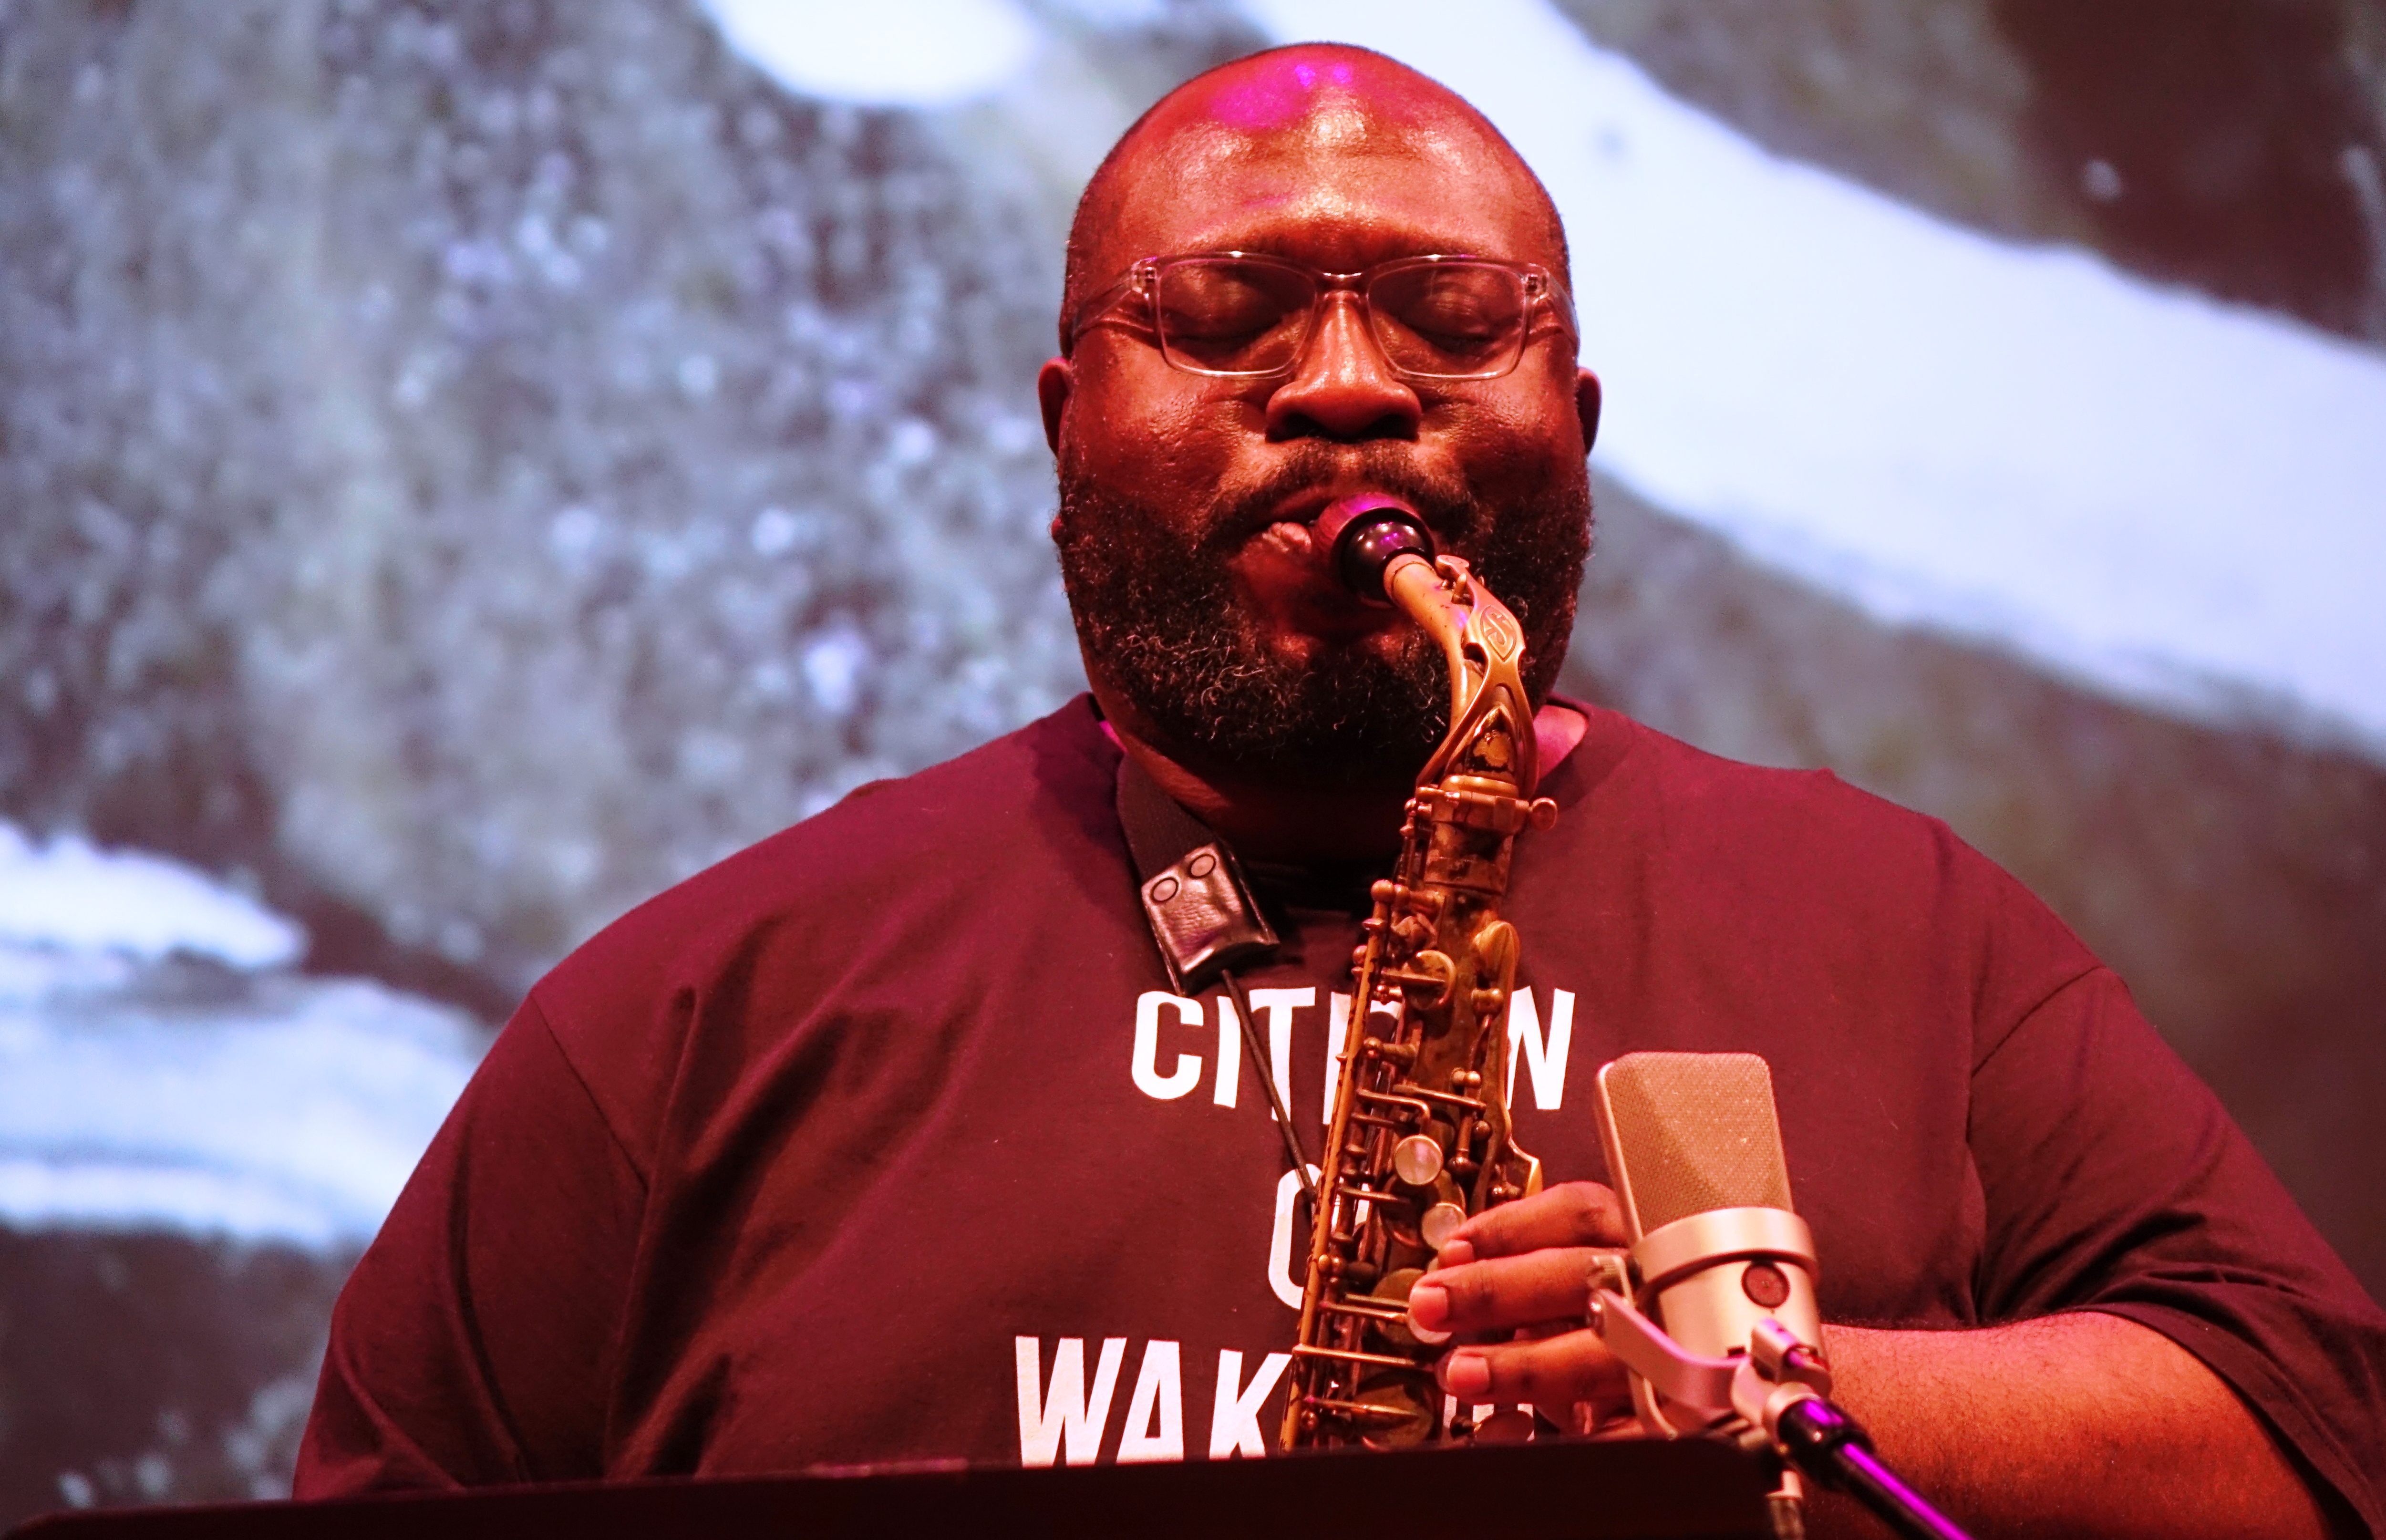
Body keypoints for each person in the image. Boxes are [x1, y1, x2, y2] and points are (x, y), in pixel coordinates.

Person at [295, 44, 2386, 1538]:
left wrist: (1759, 1391)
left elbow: (2321, 1441)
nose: (1349, 382)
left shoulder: (1905, 925)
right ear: (1065, 422)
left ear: (1573, 422)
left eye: (1453, 320)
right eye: (1225, 313)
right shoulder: (697, 1013)